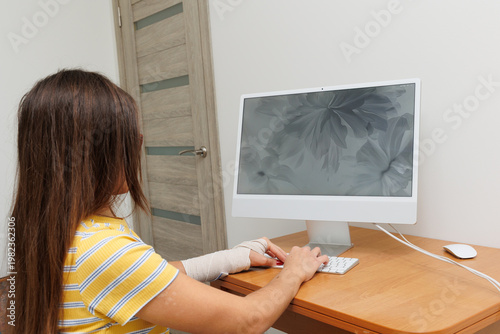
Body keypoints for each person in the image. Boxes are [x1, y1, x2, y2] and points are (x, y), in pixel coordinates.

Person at [11, 69, 328, 334]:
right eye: (130, 136)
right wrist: (294, 271)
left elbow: (148, 275)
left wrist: (232, 258)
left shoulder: (58, 232)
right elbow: (248, 320)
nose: (138, 146)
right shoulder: (101, 251)